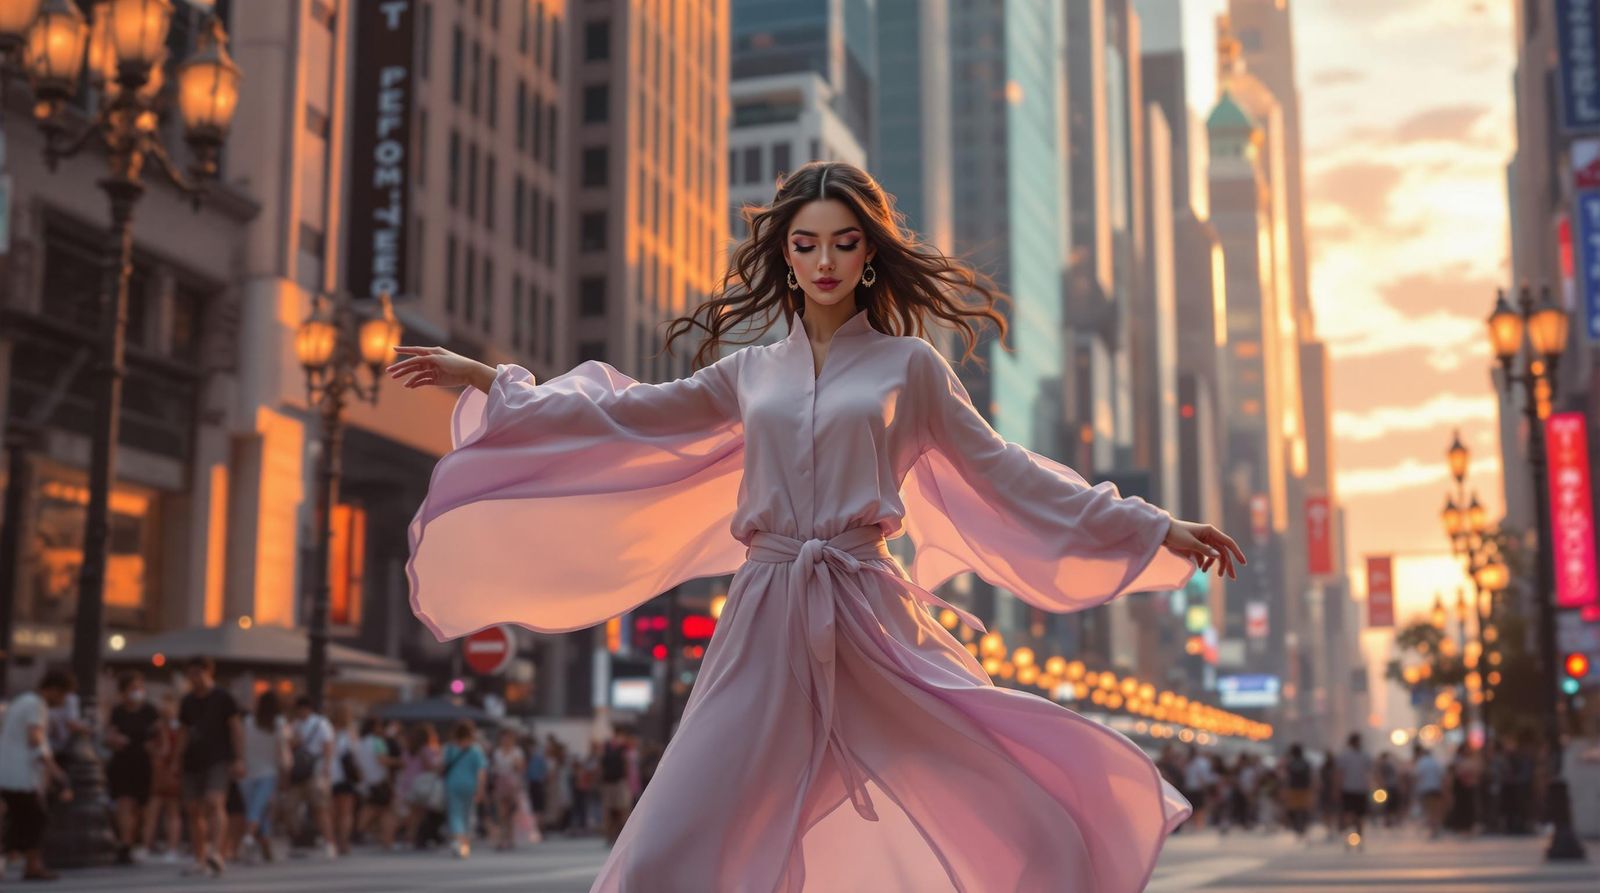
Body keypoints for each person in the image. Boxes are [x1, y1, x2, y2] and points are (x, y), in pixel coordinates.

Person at [395, 160, 1244, 891]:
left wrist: (1152, 525)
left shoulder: (911, 367)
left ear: (870, 252)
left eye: (844, 241)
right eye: (806, 243)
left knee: (1015, 805)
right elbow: (626, 418)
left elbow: (1009, 473)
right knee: (665, 852)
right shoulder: (748, 372)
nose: (825, 259)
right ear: (784, 254)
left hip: (871, 614)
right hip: (764, 613)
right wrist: (492, 382)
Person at [0, 670, 76, 881]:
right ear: (52, 690)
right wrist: (54, 769)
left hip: (7, 771)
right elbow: (35, 737)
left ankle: (21, 861)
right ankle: (32, 865)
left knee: (18, 818)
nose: (61, 701)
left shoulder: (21, 700)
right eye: (62, 696)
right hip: (20, 774)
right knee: (35, 818)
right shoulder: (36, 705)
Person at [176, 656, 243, 877]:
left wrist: (239, 758)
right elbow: (183, 732)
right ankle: (200, 858)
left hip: (219, 758)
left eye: (198, 673)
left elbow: (235, 728)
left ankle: (216, 853)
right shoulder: (187, 701)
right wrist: (177, 759)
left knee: (215, 802)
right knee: (194, 810)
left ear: (209, 672)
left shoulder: (223, 698)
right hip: (192, 761)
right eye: (191, 674)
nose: (194, 679)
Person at [105, 671, 159, 864]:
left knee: (140, 807)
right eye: (132, 688)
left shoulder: (150, 711)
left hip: (144, 763)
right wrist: (113, 739)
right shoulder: (118, 711)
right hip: (123, 761)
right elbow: (109, 734)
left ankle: (133, 841)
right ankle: (125, 844)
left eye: (139, 688)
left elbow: (160, 735)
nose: (137, 692)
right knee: (124, 803)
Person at [238, 690, 289, 863]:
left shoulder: (248, 722)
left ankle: (263, 843)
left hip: (247, 773)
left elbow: (241, 746)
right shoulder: (279, 723)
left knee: (256, 809)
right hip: (269, 772)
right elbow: (282, 752)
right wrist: (284, 774)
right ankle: (248, 839)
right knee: (259, 809)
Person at [283, 696, 337, 858]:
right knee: (290, 808)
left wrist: (327, 767)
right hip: (297, 771)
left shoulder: (321, 723)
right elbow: (287, 745)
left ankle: (329, 842)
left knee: (320, 808)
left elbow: (328, 745)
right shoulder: (294, 724)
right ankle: (296, 840)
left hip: (315, 770)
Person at [441, 722, 487, 859]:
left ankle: (457, 842)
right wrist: (481, 789)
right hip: (470, 785)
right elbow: (481, 772)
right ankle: (464, 845)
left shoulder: (450, 748)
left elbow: (442, 766)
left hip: (452, 784)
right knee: (467, 815)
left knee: (455, 814)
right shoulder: (476, 750)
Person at [1333, 732, 1373, 848]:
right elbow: (1340, 774)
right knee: (1353, 815)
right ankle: (1351, 837)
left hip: (1356, 789)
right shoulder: (1347, 756)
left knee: (1357, 816)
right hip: (1351, 789)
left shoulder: (1361, 755)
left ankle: (1357, 837)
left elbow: (1369, 773)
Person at [489, 729, 526, 850]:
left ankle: (510, 838)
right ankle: (501, 839)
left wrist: (516, 764)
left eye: (508, 738)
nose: (505, 740)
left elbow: (521, 768)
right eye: (503, 738)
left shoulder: (517, 752)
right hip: (500, 782)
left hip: (513, 783)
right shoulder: (497, 752)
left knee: (511, 813)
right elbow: (494, 768)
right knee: (501, 813)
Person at [598, 728, 633, 846]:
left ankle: (612, 836)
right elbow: (626, 765)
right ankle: (615, 836)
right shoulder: (620, 748)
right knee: (618, 810)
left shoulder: (609, 747)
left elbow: (601, 765)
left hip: (611, 782)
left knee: (614, 811)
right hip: (616, 782)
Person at [1412, 744, 1445, 839]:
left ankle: (1433, 830)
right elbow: (1442, 775)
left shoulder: (1421, 763)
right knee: (1436, 810)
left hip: (1425, 789)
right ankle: (1436, 828)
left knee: (1429, 811)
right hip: (1436, 788)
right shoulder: (1435, 762)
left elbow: (1417, 776)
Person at [1283, 743, 1314, 839]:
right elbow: (1310, 776)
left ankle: (1296, 828)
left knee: (1293, 809)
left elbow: (1286, 776)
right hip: (1304, 789)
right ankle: (1303, 827)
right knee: (1304, 809)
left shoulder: (1291, 763)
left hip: (1293, 789)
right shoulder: (1306, 763)